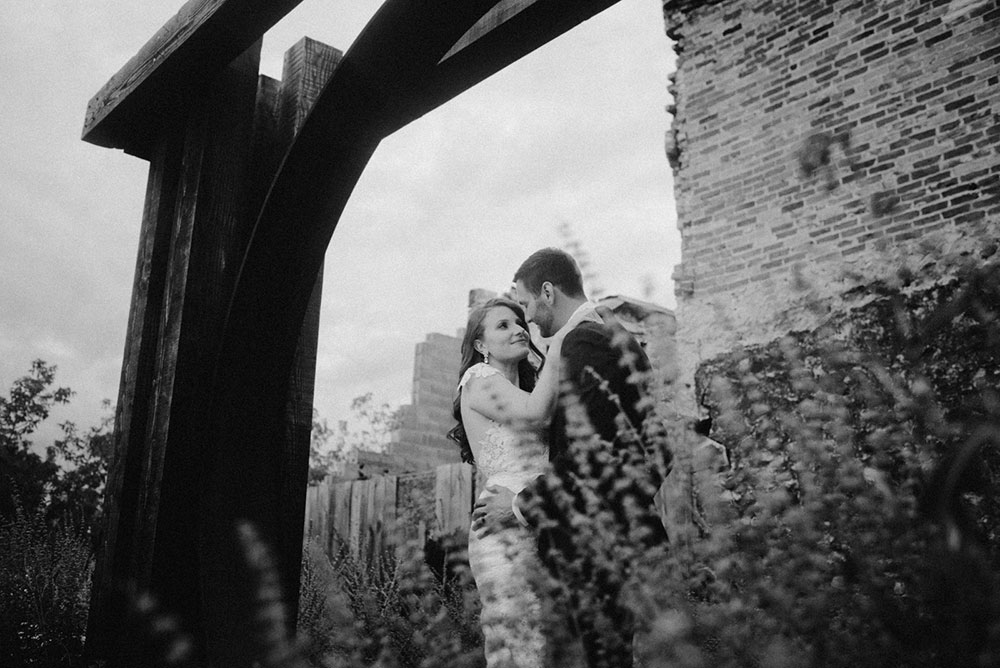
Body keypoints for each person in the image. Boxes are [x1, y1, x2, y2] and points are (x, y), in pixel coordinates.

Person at [472, 248, 669, 668]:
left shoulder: (584, 341)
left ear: (547, 292)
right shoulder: (610, 337)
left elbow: (588, 457)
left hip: (597, 546)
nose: (525, 320)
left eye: (524, 305)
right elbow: (659, 451)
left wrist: (521, 504)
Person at [448, 296, 571, 668]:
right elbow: (535, 413)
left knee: (552, 639)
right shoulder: (479, 381)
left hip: (539, 512)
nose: (518, 329)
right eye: (503, 325)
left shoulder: (529, 386)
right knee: (518, 638)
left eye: (519, 322)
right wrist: (562, 340)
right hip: (502, 525)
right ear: (481, 345)